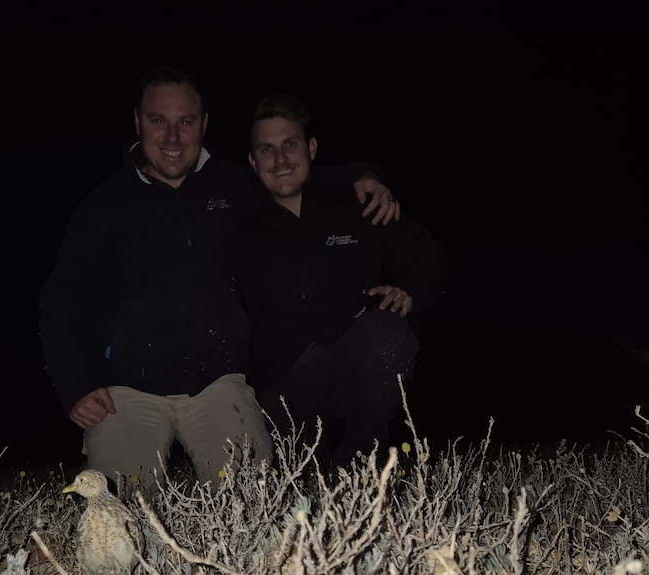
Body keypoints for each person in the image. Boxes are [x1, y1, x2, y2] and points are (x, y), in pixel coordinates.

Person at [38, 66, 400, 488]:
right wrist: (76, 384)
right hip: (127, 391)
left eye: (186, 122)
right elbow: (61, 302)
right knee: (114, 511)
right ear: (138, 122)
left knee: (252, 504)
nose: (173, 138)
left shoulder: (234, 186)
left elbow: (290, 172)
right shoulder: (101, 208)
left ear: (204, 124)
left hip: (219, 383)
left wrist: (364, 174)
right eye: (159, 121)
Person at [236, 93, 449, 469]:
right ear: (253, 162)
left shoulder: (358, 204)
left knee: (387, 333)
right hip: (279, 390)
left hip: (351, 366)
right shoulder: (239, 222)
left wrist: (411, 293)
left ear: (311, 148)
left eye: (290, 144)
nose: (281, 159)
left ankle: (360, 475)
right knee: (286, 479)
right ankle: (308, 464)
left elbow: (429, 258)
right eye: (267, 150)